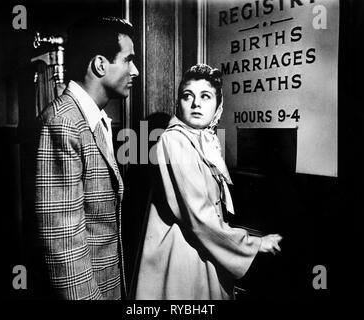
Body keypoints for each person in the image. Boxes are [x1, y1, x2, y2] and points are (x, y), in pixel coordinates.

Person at [133, 64, 282, 300]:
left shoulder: (205, 141)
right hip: (182, 257)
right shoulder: (174, 140)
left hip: (203, 251)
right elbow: (200, 217)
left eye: (205, 96)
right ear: (178, 103)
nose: (196, 104)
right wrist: (253, 243)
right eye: (187, 96)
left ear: (217, 105)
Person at [34, 16, 139, 300]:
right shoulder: (63, 122)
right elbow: (63, 245)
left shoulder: (91, 118)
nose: (136, 70)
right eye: (128, 60)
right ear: (100, 64)